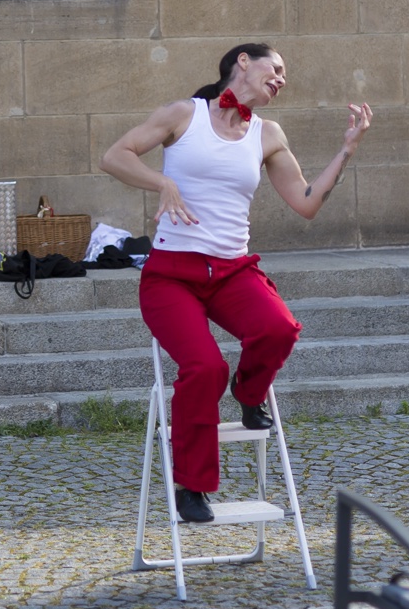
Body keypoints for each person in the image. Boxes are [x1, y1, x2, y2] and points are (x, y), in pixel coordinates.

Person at [100, 43, 371, 523]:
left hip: (231, 271)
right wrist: (160, 182)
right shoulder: (185, 115)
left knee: (279, 329)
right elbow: (114, 156)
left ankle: (249, 394)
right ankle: (193, 488)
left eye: (286, 74)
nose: (282, 78)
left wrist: (345, 151)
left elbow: (306, 202)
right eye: (277, 67)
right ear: (243, 62)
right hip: (171, 275)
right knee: (204, 369)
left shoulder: (267, 133)